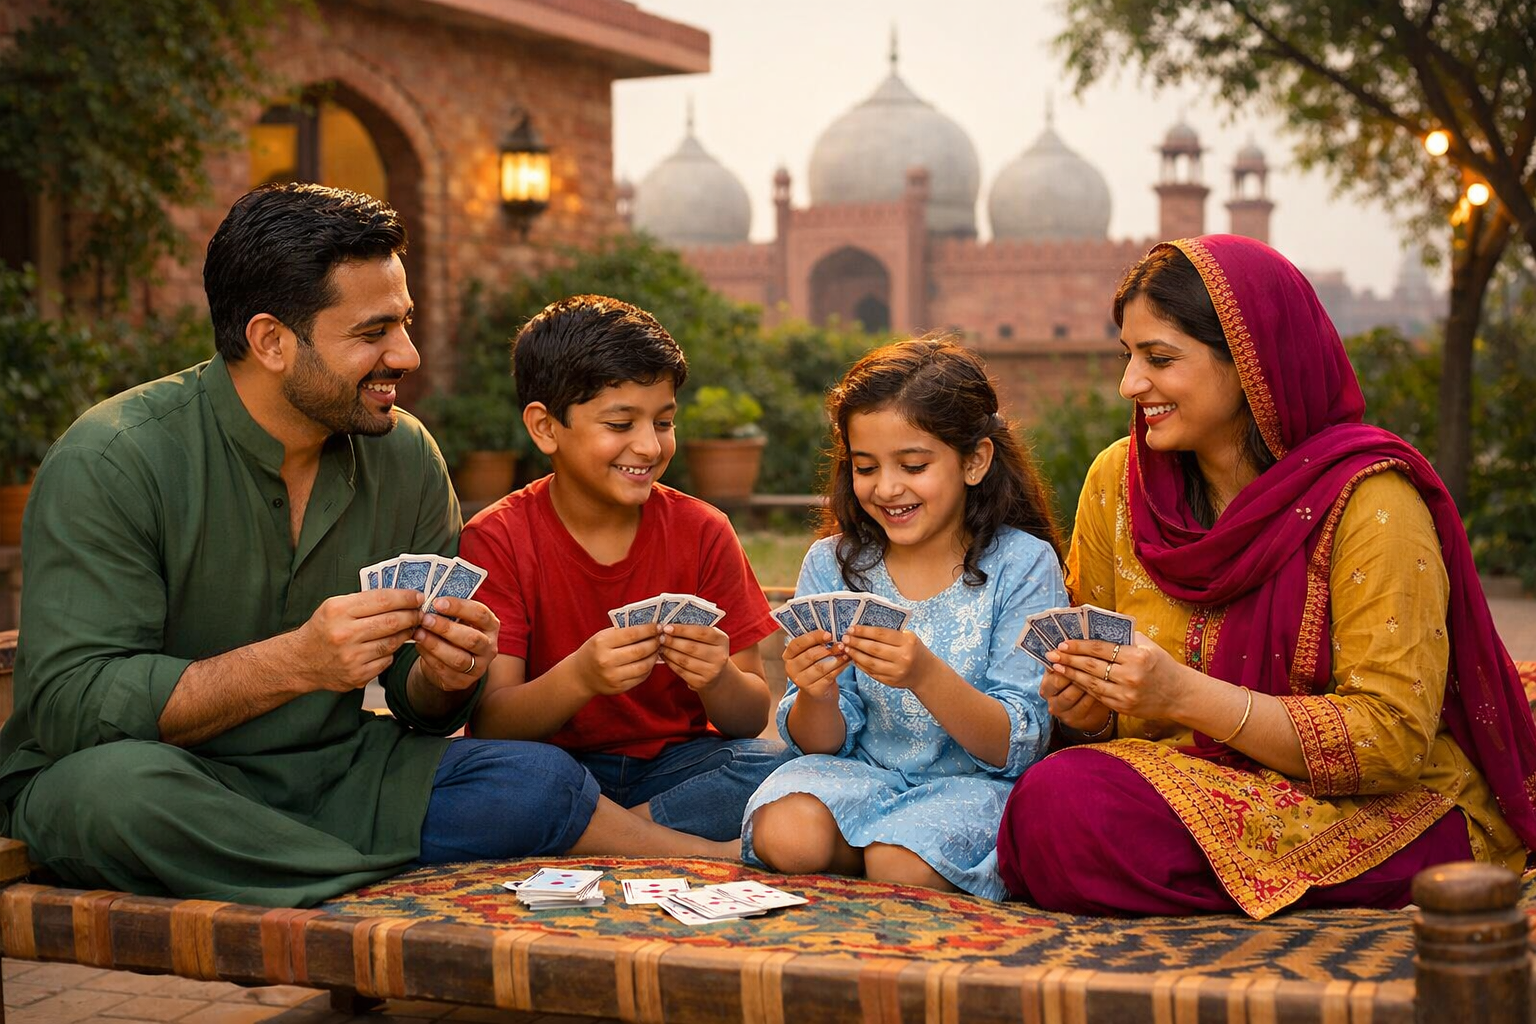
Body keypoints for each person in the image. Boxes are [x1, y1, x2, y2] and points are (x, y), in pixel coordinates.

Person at [0, 185, 733, 909]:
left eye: (404, 323)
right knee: (109, 797)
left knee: (534, 778)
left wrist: (447, 672)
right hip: (169, 777)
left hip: (340, 776)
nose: (407, 355)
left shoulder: (404, 456)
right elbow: (71, 704)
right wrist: (294, 662)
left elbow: (423, 708)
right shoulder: (114, 459)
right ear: (271, 341)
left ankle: (296, 871)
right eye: (373, 332)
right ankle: (373, 884)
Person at [997, 234, 1536, 919]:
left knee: (1066, 815)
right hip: (1182, 783)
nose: (1130, 384)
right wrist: (1090, 708)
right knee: (1053, 805)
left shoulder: (1369, 502)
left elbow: (1391, 738)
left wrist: (1185, 695)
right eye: (1127, 356)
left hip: (1357, 805)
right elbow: (1109, 708)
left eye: (1159, 358)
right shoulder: (1119, 484)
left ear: (1251, 362)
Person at [742, 338, 1066, 899]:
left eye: (913, 466)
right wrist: (816, 692)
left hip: (972, 786)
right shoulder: (833, 562)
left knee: (902, 864)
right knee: (787, 837)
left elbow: (1014, 744)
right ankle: (872, 849)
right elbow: (819, 745)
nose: (887, 488)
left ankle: (882, 854)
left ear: (974, 461)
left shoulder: (1022, 563)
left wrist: (925, 674)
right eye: (866, 467)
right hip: (860, 775)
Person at [459, 294, 785, 842]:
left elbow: (749, 718)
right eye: (620, 423)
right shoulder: (498, 538)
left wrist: (717, 677)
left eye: (664, 421)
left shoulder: (704, 531)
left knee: (774, 768)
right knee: (507, 776)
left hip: (674, 771)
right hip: (555, 767)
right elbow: (493, 722)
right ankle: (660, 842)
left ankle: (604, 836)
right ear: (545, 427)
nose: (649, 446)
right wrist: (581, 676)